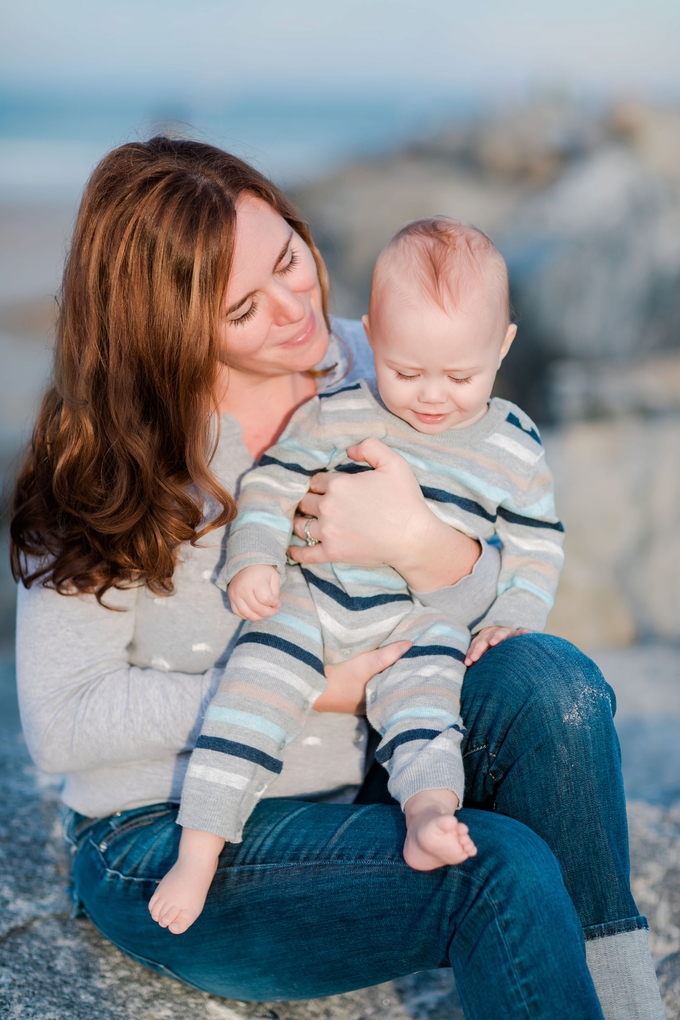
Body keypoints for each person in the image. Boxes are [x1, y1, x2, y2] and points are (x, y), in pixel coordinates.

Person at [10, 137, 662, 1020]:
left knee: (559, 686)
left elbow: (495, 583)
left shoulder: (381, 366)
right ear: (170, 327)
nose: (294, 307)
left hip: (379, 763)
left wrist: (426, 546)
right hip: (171, 831)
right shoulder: (103, 467)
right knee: (496, 868)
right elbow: (61, 724)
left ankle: (624, 1005)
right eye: (245, 306)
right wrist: (313, 685)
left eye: (288, 258)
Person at [149, 217, 566, 934]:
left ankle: (428, 814)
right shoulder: (340, 411)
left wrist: (516, 613)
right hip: (313, 603)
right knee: (250, 698)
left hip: (413, 622)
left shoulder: (512, 445)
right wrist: (251, 557)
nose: (433, 396)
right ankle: (200, 846)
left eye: (461, 376)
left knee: (429, 712)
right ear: (371, 338)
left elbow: (537, 542)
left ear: (502, 345)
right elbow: (274, 483)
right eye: (406, 372)